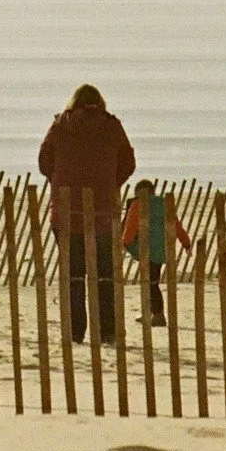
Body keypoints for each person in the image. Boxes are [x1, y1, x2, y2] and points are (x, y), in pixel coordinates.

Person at [37, 83, 135, 344]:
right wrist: (109, 183)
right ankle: (108, 332)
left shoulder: (60, 126)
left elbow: (44, 161)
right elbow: (129, 163)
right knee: (105, 274)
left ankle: (75, 332)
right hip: (103, 212)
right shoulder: (112, 127)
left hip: (66, 213)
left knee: (73, 275)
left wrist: (61, 182)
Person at [120, 179, 192, 326]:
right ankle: (150, 312)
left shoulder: (137, 204)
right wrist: (186, 243)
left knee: (151, 283)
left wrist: (124, 243)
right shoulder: (164, 204)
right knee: (151, 280)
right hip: (161, 249)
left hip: (145, 249)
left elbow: (130, 228)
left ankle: (158, 315)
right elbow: (176, 225)